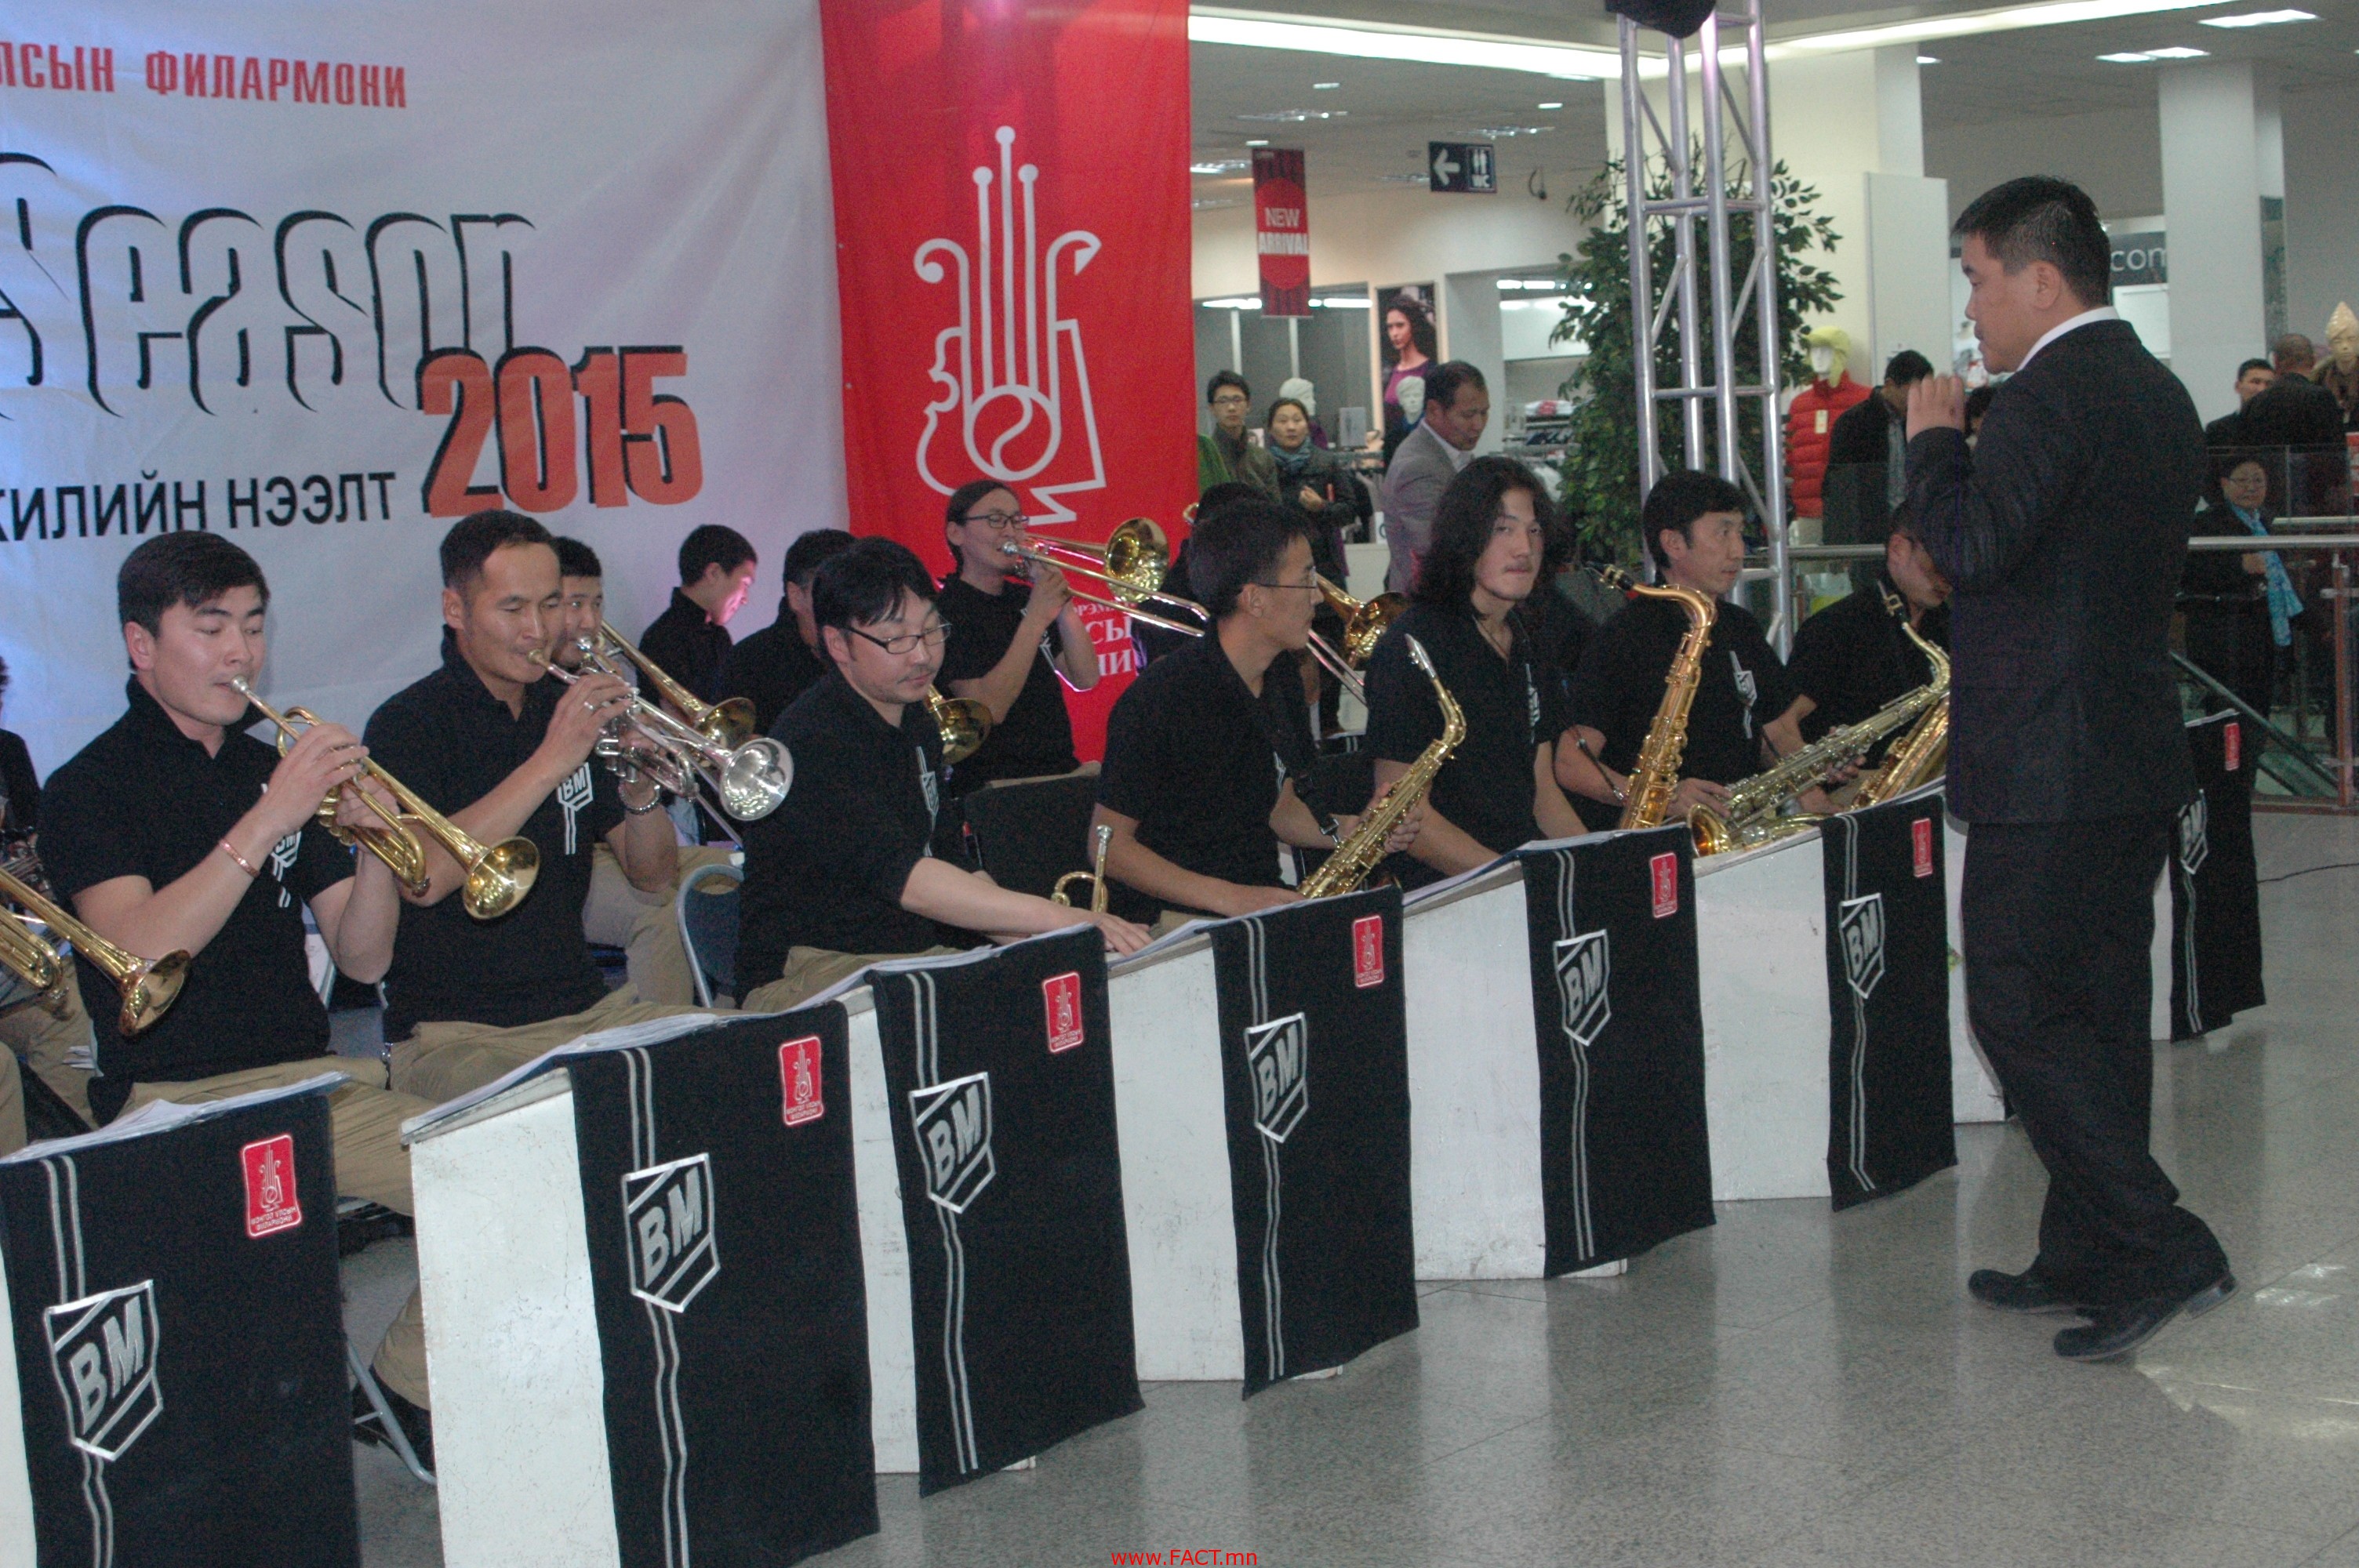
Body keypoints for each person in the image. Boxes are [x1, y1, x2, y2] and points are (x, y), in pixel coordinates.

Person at [1906, 175, 2230, 1361]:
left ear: (2041, 280)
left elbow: (1970, 547)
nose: (1971, 309)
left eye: (1978, 279)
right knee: (2095, 1010)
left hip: (2048, 757)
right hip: (2124, 746)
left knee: (2013, 1002)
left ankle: (2159, 1239)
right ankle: (2088, 1249)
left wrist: (1932, 448)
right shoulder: (2153, 386)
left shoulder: (2046, 396)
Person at [36, 532, 435, 1458]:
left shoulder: (271, 767)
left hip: (314, 1085)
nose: (241, 652)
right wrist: (269, 818)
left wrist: (376, 846)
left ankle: (400, 1384)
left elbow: (364, 957)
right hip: (173, 1099)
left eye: (254, 626)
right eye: (211, 627)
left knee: (505, 1169)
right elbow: (137, 951)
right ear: (142, 644)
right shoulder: (89, 785)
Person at [365, 512, 699, 1106]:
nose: (538, 630)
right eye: (513, 608)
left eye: (550, 605)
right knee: (553, 1112)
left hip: (585, 1011)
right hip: (455, 1036)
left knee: (721, 1067)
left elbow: (652, 878)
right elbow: (425, 879)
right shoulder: (408, 724)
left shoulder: (563, 709)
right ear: (455, 610)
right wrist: (551, 761)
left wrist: (639, 786)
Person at [734, 539, 1147, 1010]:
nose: (922, 656)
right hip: (807, 974)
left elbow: (951, 859)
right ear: (838, 644)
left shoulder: (915, 718)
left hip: (900, 958)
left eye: (931, 631)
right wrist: (1067, 921)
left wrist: (1043, 941)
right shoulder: (813, 739)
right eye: (896, 639)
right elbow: (910, 882)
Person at [1094, 498, 1415, 929]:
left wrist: (1359, 829)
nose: (1317, 597)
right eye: (1306, 580)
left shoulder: (1282, 676)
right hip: (1174, 923)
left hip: (1253, 904)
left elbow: (1279, 811)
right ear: (1255, 599)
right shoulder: (1161, 697)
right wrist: (1232, 898)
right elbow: (1109, 847)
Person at [1363, 456, 1584, 884]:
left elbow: (1541, 789)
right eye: (1503, 529)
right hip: (1446, 891)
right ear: (1465, 537)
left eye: (1534, 530)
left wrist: (1595, 862)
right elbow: (1403, 816)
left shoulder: (1527, 635)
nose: (1524, 549)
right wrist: (1513, 879)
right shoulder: (1412, 646)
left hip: (1516, 874)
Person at [1557, 470, 1818, 829]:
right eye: (1723, 532)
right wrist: (1658, 797)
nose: (1738, 550)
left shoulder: (1740, 625)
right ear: (1674, 544)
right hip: (1662, 836)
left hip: (1739, 828)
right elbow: (1571, 764)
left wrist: (1812, 773)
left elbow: (1775, 732)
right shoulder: (1623, 637)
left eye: (1739, 532)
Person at [552, 535, 736, 1004]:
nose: (589, 621)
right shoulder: (539, 692)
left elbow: (632, 822)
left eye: (597, 604)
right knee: (659, 911)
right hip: (565, 860)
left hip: (618, 841)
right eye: (574, 604)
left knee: (744, 873)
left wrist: (643, 752)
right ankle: (666, 1036)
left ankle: (738, 1016)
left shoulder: (598, 677)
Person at [935, 480, 1100, 792]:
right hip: (998, 786)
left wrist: (1063, 605)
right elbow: (989, 709)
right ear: (956, 533)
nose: (1010, 531)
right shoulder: (946, 611)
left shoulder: (1023, 597)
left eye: (1016, 520)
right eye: (996, 520)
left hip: (1061, 772)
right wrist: (1036, 618)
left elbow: (1085, 677)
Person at [0, 654, 99, 1140]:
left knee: (68, 1005)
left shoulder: (7, 750)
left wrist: (39, 864)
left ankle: (71, 1152)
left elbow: (33, 838)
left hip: (7, 962)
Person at [1775, 510, 1952, 760]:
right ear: (1898, 549)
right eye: (1937, 563)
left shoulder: (1950, 626)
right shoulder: (1836, 626)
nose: (1948, 579)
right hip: (1853, 780)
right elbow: (1781, 728)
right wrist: (1823, 768)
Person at [2181, 455, 2296, 726]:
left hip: (2262, 637)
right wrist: (2238, 566)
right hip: (2223, 636)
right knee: (2227, 718)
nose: (2251, 488)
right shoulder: (2205, 523)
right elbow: (2187, 573)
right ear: (2224, 484)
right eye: (2242, 480)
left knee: (2258, 715)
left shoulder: (2265, 522)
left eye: (2258, 481)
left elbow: (2281, 581)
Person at [718, 528, 856, 735]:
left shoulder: (873, 651)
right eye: (832, 592)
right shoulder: (748, 665)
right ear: (796, 596)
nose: (849, 605)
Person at [1379, 361, 1490, 595]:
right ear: (1434, 411)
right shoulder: (1418, 467)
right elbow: (1437, 552)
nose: (1478, 425)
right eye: (1468, 415)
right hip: (1433, 603)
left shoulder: (1452, 453)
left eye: (1484, 412)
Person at [1826, 350, 1937, 576]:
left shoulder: (1923, 424)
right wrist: (1840, 541)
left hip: (1913, 533)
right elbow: (1838, 487)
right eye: (1914, 392)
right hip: (1868, 534)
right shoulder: (1854, 423)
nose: (1919, 400)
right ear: (1890, 385)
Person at [635, 523, 758, 706]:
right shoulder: (662, 639)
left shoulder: (719, 637)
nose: (745, 599)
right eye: (745, 584)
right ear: (713, 573)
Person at [2240, 332, 2347, 516]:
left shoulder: (2254, 404)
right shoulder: (2321, 398)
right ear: (2313, 361)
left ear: (2276, 362)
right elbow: (2336, 456)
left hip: (2267, 504)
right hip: (2315, 503)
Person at [1784, 327, 1871, 529]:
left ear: (1840, 354)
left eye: (1826, 350)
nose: (1818, 357)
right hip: (1807, 512)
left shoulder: (1864, 399)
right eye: (1814, 350)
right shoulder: (1799, 405)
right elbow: (1791, 458)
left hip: (1852, 510)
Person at [1197, 371, 1279, 499]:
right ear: (1212, 408)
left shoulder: (1263, 458)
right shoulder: (1205, 456)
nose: (1231, 408)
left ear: (1248, 405)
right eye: (1223, 401)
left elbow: (1275, 505)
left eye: (1237, 400)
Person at [1379, 293, 1437, 461]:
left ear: (1413, 325)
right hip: (1393, 453)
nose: (1395, 333)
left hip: (1423, 454)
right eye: (1390, 327)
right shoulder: (1389, 373)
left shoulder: (1430, 370)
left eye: (1400, 326)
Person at [2202, 358, 2277, 452]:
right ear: (2238, 386)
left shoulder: (2280, 428)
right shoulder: (2217, 430)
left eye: (2269, 384)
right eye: (2255, 382)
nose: (2262, 389)